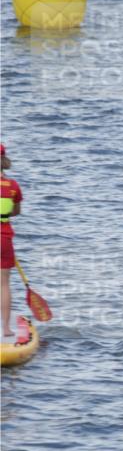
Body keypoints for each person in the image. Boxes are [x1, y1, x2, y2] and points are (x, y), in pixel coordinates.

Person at [1, 143, 24, 340]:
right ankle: (6, 329)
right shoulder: (13, 186)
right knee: (3, 285)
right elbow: (15, 212)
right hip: (4, 237)